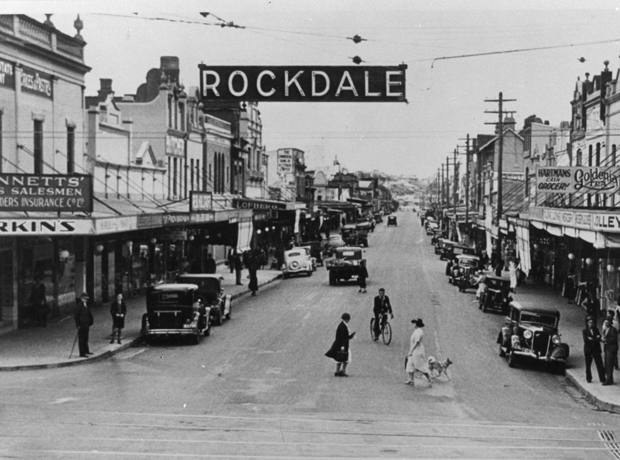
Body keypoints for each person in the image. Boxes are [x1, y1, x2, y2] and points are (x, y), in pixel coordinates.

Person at [325, 312, 355, 377]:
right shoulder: (343, 326)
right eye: (348, 319)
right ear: (346, 319)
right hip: (342, 345)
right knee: (346, 357)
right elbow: (341, 337)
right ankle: (342, 371)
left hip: (339, 345)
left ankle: (337, 371)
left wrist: (350, 336)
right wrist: (342, 346)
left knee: (339, 358)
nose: (349, 320)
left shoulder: (342, 325)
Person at [405, 318, 433, 386]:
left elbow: (416, 342)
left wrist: (411, 351)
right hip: (414, 350)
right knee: (410, 364)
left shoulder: (419, 332)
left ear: (417, 324)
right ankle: (411, 380)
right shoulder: (416, 330)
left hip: (417, 351)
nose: (413, 324)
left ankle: (429, 378)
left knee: (419, 366)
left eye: (414, 323)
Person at [583, 316, 606, 384]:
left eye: (592, 323)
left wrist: (592, 339)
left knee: (599, 365)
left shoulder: (596, 329)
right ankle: (589, 378)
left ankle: (602, 379)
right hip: (589, 350)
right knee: (588, 365)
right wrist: (596, 339)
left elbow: (599, 338)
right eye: (590, 322)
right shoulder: (585, 331)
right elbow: (586, 341)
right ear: (587, 323)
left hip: (596, 350)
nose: (591, 324)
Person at [74, 292, 94, 358]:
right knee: (81, 339)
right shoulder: (79, 306)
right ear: (82, 299)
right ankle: (82, 353)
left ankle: (86, 350)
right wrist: (78, 325)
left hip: (86, 325)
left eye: (86, 299)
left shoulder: (85, 305)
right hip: (82, 325)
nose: (86, 300)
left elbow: (88, 314)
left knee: (86, 338)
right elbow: (76, 317)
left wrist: (90, 322)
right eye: (85, 299)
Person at [602, 317, 618, 386]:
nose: (606, 323)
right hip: (608, 348)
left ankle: (608, 379)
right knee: (607, 364)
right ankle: (609, 378)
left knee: (609, 364)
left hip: (611, 349)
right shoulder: (606, 329)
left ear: (610, 323)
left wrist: (606, 340)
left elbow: (614, 339)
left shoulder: (613, 330)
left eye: (607, 322)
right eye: (605, 322)